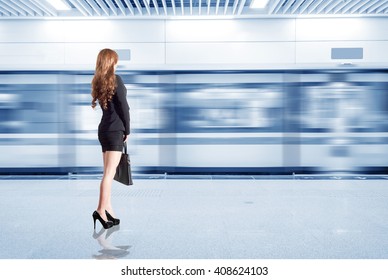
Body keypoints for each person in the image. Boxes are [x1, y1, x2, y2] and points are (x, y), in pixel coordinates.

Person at [91, 48, 130, 229]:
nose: (117, 63)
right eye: (115, 60)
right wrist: (127, 130)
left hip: (104, 130)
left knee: (108, 172)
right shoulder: (117, 80)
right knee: (109, 174)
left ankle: (109, 209)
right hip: (115, 130)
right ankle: (100, 209)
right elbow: (124, 107)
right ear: (111, 61)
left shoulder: (99, 81)